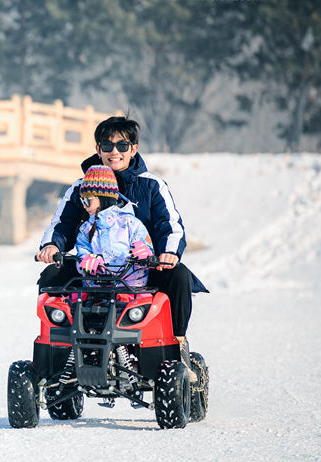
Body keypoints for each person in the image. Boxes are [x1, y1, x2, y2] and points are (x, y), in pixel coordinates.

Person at [36, 116, 207, 382]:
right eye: (107, 145)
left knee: (179, 275)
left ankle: (177, 345)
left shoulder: (151, 185)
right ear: (98, 150)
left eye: (122, 145)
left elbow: (169, 225)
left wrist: (167, 252)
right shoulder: (81, 188)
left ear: (134, 149)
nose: (114, 151)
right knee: (51, 277)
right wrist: (51, 246)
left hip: (142, 267)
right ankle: (57, 352)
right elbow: (62, 224)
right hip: (91, 267)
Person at [71, 165, 154, 287]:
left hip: (130, 289)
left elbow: (146, 251)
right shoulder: (86, 229)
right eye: (82, 201)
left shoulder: (130, 223)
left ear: (103, 197)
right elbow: (82, 252)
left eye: (87, 200)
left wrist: (145, 256)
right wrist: (86, 260)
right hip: (96, 290)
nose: (84, 205)